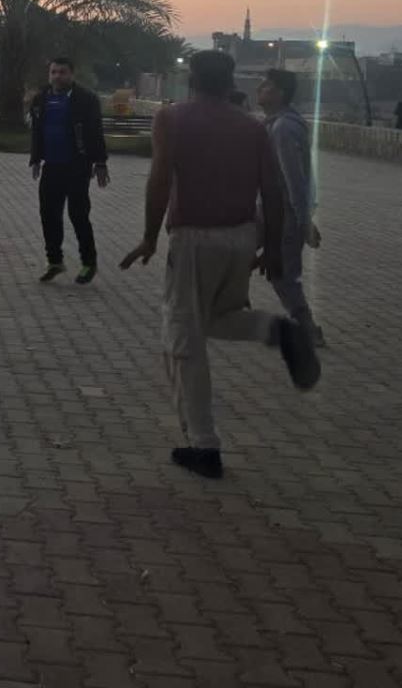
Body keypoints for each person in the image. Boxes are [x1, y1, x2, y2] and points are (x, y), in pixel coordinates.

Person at [120, 50, 321, 480]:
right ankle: (277, 330)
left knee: (183, 339)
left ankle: (203, 445)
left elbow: (160, 180)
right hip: (241, 236)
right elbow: (272, 189)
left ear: (192, 80)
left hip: (194, 238)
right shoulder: (252, 127)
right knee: (219, 316)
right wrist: (270, 247)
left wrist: (150, 236)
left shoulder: (173, 119)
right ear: (231, 84)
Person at [28, 57, 110, 285]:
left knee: (78, 214)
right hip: (51, 166)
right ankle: (54, 261)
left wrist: (100, 162)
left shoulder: (85, 99)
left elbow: (95, 131)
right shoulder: (41, 98)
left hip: (77, 165)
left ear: (72, 74)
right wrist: (36, 159)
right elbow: (37, 131)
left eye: (62, 72)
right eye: (53, 72)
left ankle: (89, 262)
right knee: (48, 214)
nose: (57, 76)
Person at [257, 70, 325, 345]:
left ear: (280, 93)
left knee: (283, 274)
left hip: (285, 214)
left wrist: (304, 221)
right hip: (270, 210)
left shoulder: (283, 128)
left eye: (266, 86)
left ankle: (307, 328)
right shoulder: (277, 124)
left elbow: (293, 178)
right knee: (235, 253)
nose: (260, 89)